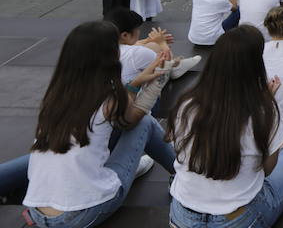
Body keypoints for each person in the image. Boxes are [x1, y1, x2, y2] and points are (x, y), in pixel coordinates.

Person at [21, 21, 175, 228]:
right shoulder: (109, 96)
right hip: (80, 214)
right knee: (145, 123)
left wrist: (135, 83)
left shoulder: (55, 96)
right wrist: (159, 80)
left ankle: (126, 167)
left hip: (38, 212)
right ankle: (182, 174)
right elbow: (134, 118)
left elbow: (116, 110)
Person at [168, 26, 283, 228]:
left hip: (181, 217)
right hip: (239, 220)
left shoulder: (186, 104)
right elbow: (267, 170)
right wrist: (266, 101)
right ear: (256, 65)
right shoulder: (265, 112)